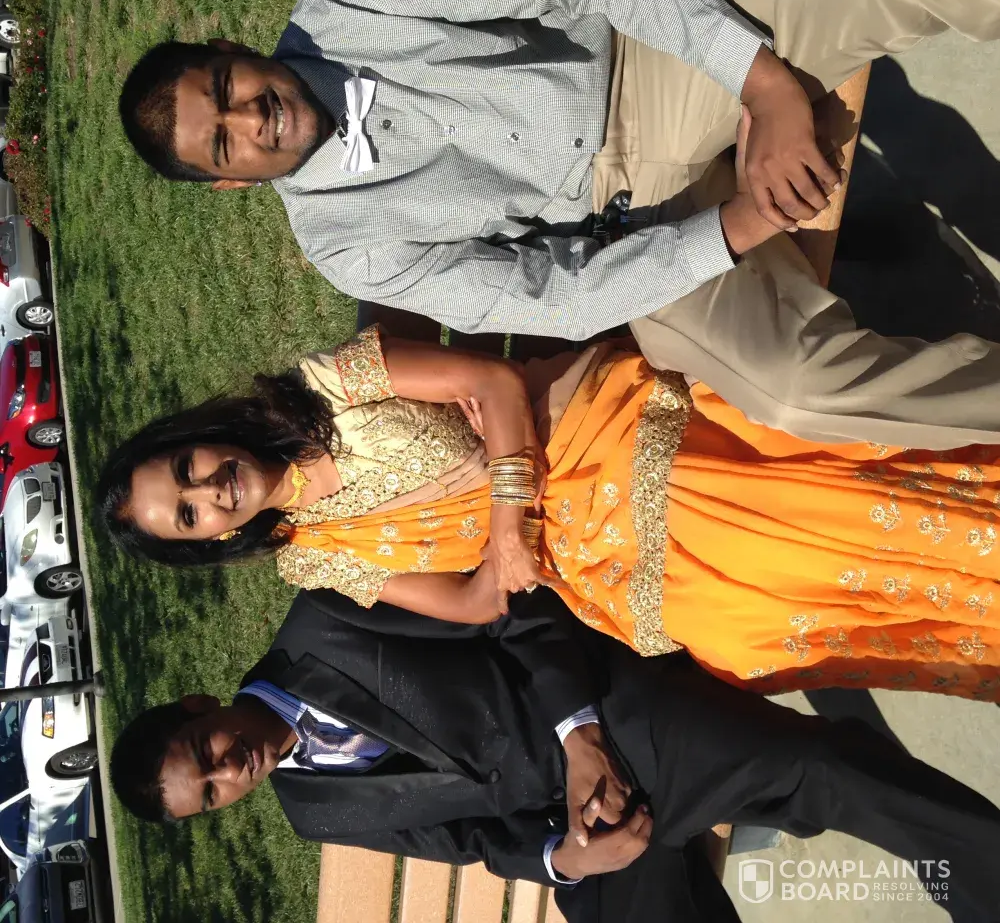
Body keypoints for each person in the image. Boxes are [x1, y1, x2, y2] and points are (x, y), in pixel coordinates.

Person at [99, 115, 1000, 700]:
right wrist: (504, 567)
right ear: (209, 542)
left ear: (196, 438)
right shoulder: (312, 558)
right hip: (591, 555)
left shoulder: (327, 387)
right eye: (190, 515)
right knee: (742, 630)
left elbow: (491, 386)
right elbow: (468, 605)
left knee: (768, 534)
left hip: (590, 435)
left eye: (185, 469)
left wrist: (506, 521)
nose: (208, 490)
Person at [117, 0, 1000, 448]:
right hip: (634, 230)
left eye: (226, 89)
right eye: (225, 144)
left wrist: (762, 85)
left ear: (230, 51)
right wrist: (736, 224)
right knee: (790, 392)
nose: (252, 118)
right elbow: (552, 295)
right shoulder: (345, 246)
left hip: (649, 65)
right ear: (229, 185)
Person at [111, 586, 1000, 923]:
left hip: (607, 714)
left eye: (206, 752)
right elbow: (467, 842)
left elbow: (512, 607)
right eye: (213, 794)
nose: (231, 771)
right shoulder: (313, 812)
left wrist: (580, 738)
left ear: (198, 705)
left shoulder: (322, 620)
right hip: (583, 840)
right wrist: (568, 858)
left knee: (822, 772)